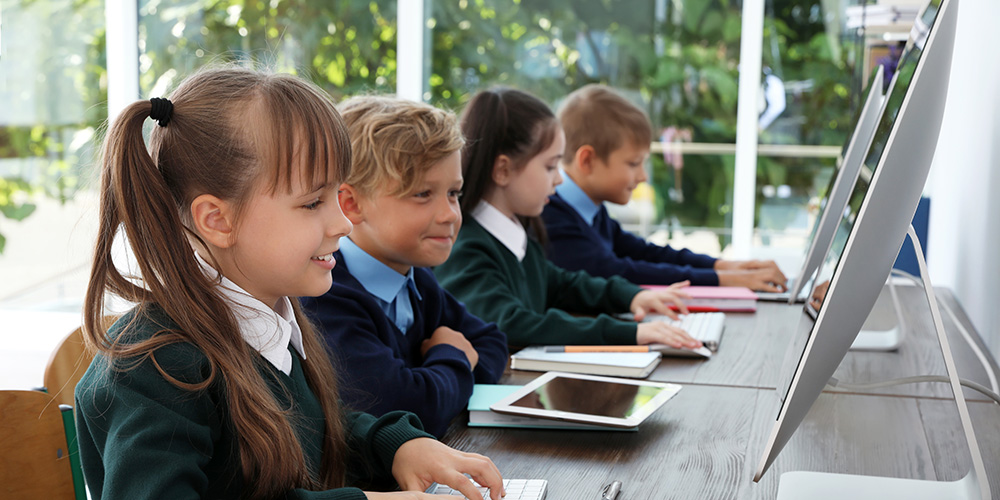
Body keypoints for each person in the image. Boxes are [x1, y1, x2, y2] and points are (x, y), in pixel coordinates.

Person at [75, 67, 504, 500]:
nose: (342, 222)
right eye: (313, 202)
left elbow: (309, 430)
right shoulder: (154, 366)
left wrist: (396, 446)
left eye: (338, 195)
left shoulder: (271, 317)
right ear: (218, 220)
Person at [300, 96, 508, 438]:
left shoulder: (418, 281)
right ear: (351, 204)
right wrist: (452, 355)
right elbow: (408, 409)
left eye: (454, 193)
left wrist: (437, 382)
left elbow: (491, 341)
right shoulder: (328, 297)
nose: (450, 214)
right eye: (423, 194)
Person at [433, 87, 701, 349]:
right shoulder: (466, 248)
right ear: (503, 169)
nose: (559, 178)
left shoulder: (517, 235)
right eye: (550, 166)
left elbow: (562, 283)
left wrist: (633, 296)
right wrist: (631, 333)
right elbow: (511, 323)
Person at [542, 84, 788, 292]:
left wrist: (722, 266)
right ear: (587, 160)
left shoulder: (590, 212)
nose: (643, 176)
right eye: (633, 163)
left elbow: (645, 254)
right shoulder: (553, 219)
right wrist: (723, 280)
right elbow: (617, 272)